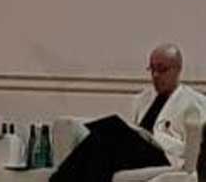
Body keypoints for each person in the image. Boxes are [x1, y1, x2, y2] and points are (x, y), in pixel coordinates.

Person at [51, 44, 206, 182]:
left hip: (165, 156)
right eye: (152, 69)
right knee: (100, 145)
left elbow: (194, 150)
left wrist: (156, 139)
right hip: (138, 153)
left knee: (110, 133)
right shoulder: (144, 98)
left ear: (178, 69)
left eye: (161, 69)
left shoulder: (194, 103)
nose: (155, 75)